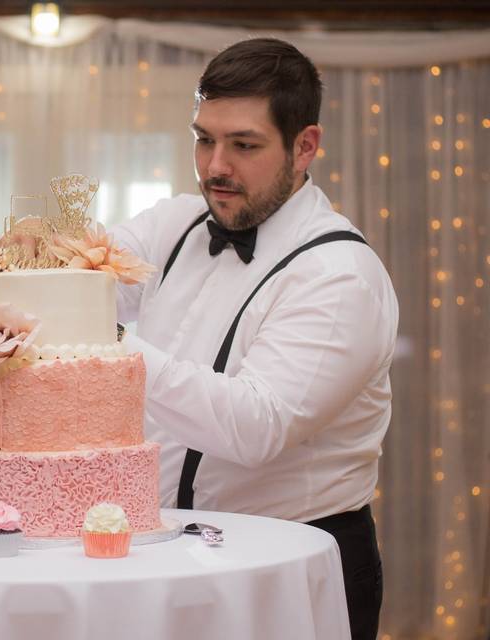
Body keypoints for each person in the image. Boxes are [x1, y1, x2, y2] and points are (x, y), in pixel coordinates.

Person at [113, 38, 397, 640]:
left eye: (243, 145)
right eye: (204, 138)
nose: (215, 166)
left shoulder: (340, 275)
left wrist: (110, 345)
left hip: (296, 561)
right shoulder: (174, 224)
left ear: (305, 146)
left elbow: (254, 426)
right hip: (170, 551)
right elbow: (72, 281)